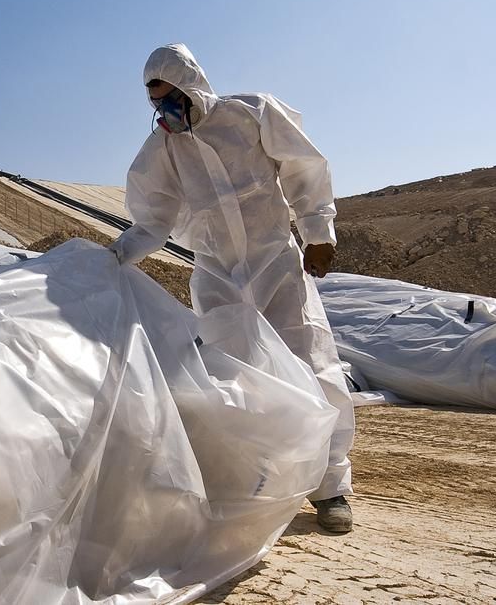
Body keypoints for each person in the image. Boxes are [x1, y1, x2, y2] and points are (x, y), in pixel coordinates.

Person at [109, 43, 355, 533]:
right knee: (232, 381)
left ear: (192, 84)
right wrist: (113, 256)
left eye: (171, 96)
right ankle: (254, 479)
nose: (165, 109)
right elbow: (153, 220)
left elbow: (303, 167)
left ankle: (331, 489)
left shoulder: (251, 113)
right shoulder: (163, 150)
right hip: (218, 275)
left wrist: (318, 231)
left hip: (277, 265)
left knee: (313, 367)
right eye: (156, 101)